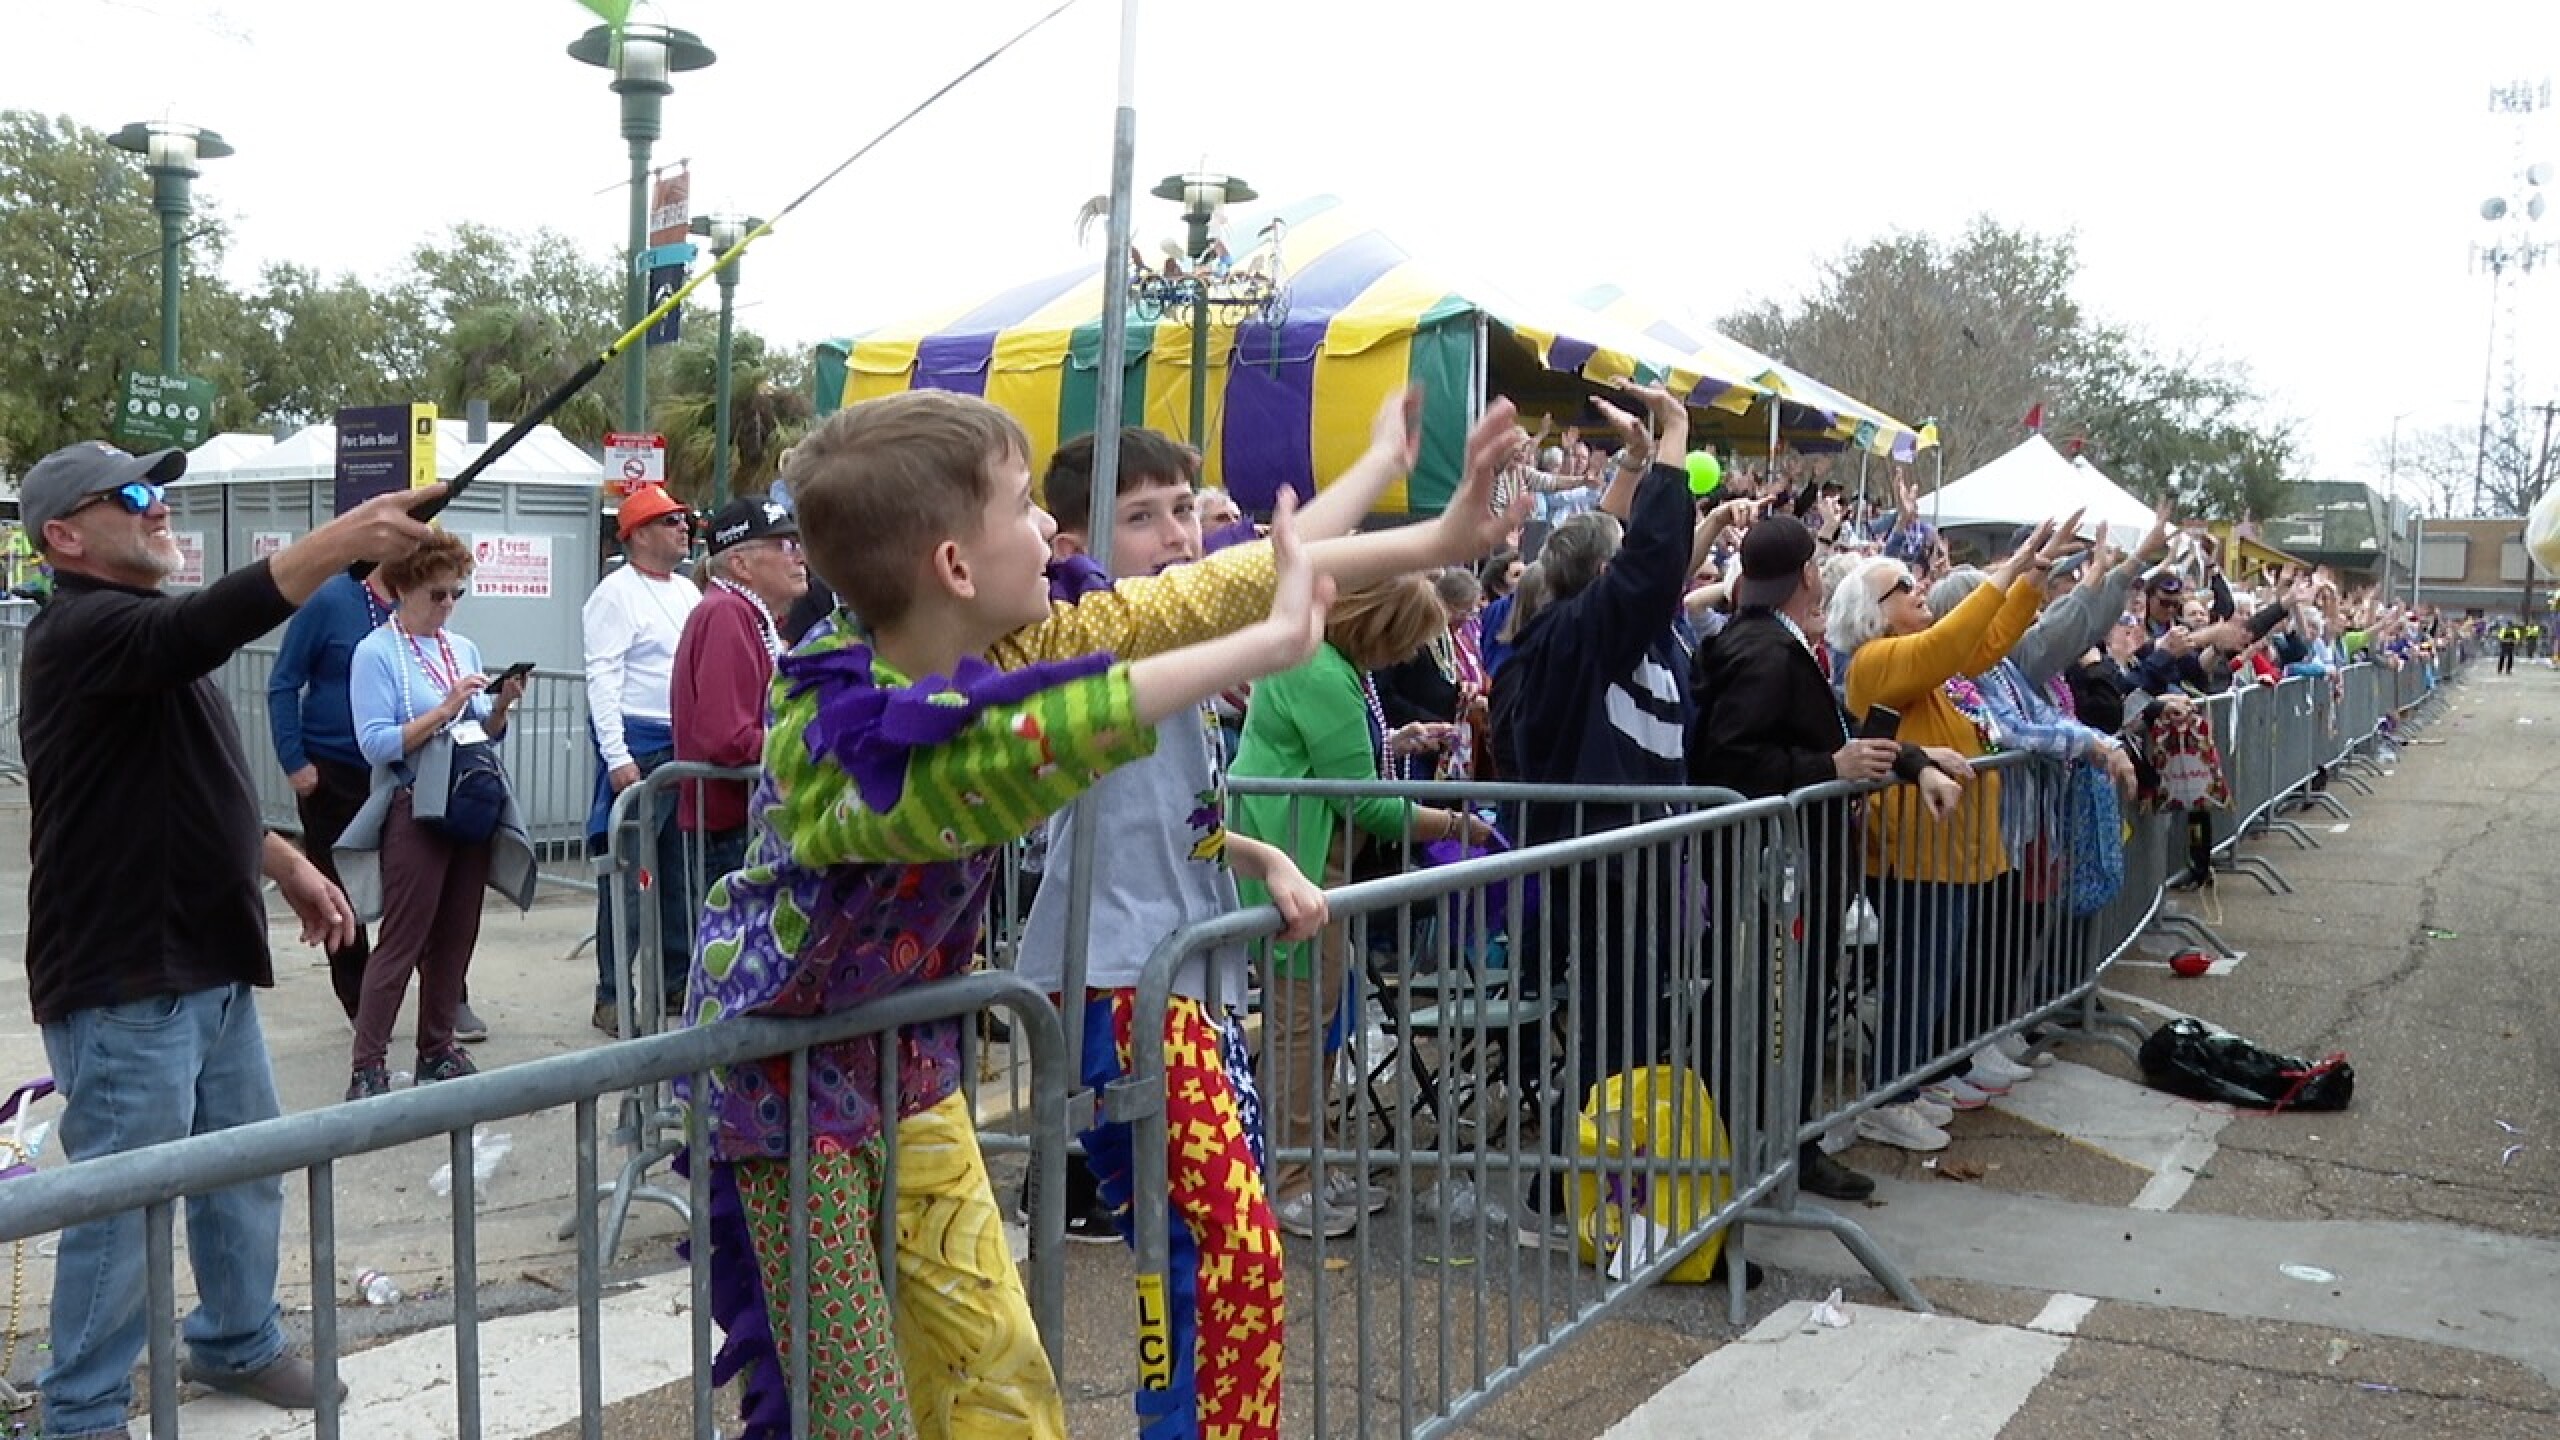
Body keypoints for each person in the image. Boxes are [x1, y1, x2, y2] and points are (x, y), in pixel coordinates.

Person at [680, 388, 1524, 1439]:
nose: (1048, 530)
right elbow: (1023, 749)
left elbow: (1193, 595)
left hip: (912, 1069)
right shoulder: (834, 739)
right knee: (855, 1414)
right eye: (1024, 504)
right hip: (789, 1105)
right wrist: (1263, 651)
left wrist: (1430, 529)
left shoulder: (994, 645)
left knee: (1001, 1382)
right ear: (952, 566)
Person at [1015, 399, 1504, 1439]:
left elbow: (1173, 815)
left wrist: (1264, 853)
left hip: (1182, 980)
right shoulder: (1077, 642)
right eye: (1141, 517)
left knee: (1193, 1257)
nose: (1176, 537)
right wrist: (1386, 489)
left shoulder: (1161, 650)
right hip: (1115, 990)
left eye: (1182, 509)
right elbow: (1273, 579)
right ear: (1070, 547)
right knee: (1226, 1250)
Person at [18, 439, 437, 1438]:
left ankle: (237, 1341)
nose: (158, 506)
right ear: (64, 535)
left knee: (243, 1169)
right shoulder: (78, 632)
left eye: (160, 489)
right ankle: (77, 1413)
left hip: (204, 964)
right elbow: (209, 626)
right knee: (125, 1206)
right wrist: (343, 542)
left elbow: (179, 784)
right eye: (131, 495)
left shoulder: (141, 634)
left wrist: (282, 859)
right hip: (124, 978)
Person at [1687, 513, 1968, 1203]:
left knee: (1780, 1011)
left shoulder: (1770, 643)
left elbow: (1840, 736)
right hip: (1770, 872)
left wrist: (1912, 760)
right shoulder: (1762, 652)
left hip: (1787, 868)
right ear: (1808, 576)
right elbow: (1730, 759)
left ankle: (1786, 1143)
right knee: (1769, 1015)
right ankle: (1773, 1150)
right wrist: (1827, 764)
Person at [1230, 574, 1494, 1239]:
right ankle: (1289, 1177)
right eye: (1402, 640)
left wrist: (1395, 748)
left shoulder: (1326, 661)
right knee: (1299, 1023)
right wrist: (1453, 824)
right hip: (1302, 857)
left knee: (1318, 1018)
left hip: (1310, 854)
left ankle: (1310, 1160)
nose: (1406, 655)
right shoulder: (1323, 671)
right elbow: (1369, 803)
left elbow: (1349, 771)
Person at [1827, 520, 2070, 1151]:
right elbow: (1954, 640)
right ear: (1872, 615)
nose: (1917, 589)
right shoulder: (1876, 662)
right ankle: (1889, 1097)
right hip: (1914, 856)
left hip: (1947, 853)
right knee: (1915, 980)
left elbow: (1981, 646)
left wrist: (2032, 578)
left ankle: (1908, 1085)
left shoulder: (1919, 661)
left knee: (1934, 977)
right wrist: (2010, 565)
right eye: (1901, 587)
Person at [336, 531, 537, 1100]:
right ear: (401, 589)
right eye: (436, 595)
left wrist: (498, 705)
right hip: (413, 803)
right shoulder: (376, 652)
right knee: (403, 937)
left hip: (467, 800)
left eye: (456, 594)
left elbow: (482, 733)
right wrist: (446, 708)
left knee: (456, 934)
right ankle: (368, 1062)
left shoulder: (461, 648)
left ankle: (437, 1047)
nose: (447, 605)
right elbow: (376, 744)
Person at [582, 483, 701, 1035]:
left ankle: (676, 979)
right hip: (640, 742)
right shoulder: (615, 593)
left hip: (681, 744)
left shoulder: (686, 592)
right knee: (629, 879)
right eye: (672, 521)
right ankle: (612, 993)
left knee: (678, 877)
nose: (684, 529)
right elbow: (602, 676)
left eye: (683, 521)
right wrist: (616, 754)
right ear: (640, 534)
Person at [672, 496, 811, 892]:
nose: (800, 556)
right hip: (733, 828)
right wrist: (811, 742)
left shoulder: (744, 615)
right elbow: (727, 738)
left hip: (740, 823)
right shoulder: (726, 614)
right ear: (741, 565)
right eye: (785, 546)